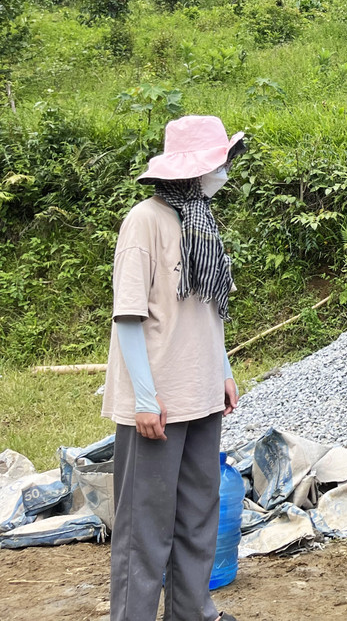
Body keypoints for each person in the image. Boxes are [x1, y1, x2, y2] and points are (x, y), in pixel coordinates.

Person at [103, 115, 245, 621]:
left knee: (198, 516)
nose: (224, 171)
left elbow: (209, 308)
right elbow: (128, 315)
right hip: (158, 400)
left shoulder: (200, 219)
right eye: (219, 162)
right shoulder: (145, 220)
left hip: (201, 391)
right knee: (145, 527)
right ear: (194, 168)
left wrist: (223, 370)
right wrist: (143, 397)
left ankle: (192, 613)